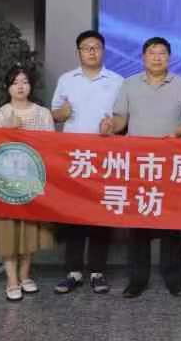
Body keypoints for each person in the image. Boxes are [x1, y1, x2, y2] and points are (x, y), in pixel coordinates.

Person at [109, 37, 181, 299]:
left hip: (170, 164)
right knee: (138, 223)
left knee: (171, 223)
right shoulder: (129, 84)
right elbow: (120, 118)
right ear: (143, 57)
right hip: (139, 164)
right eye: (152, 53)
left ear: (169, 57)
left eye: (162, 53)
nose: (157, 57)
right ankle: (137, 280)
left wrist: (175, 134)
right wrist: (111, 125)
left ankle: (174, 280)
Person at [51, 30, 124, 295]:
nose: (92, 52)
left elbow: (122, 117)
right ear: (79, 52)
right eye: (86, 48)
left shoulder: (117, 81)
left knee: (100, 215)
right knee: (73, 214)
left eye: (96, 47)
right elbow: (54, 114)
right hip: (74, 158)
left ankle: (97, 271)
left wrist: (113, 125)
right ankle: (73, 271)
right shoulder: (66, 79)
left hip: (105, 157)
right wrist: (61, 113)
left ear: (103, 51)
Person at [0, 66, 55, 302]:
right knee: (8, 231)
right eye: (15, 83)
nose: (20, 86)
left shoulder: (43, 114)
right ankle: (11, 280)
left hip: (33, 181)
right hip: (5, 183)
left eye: (24, 81)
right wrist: (7, 131)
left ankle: (25, 276)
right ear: (8, 88)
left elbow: (51, 147)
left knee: (29, 232)